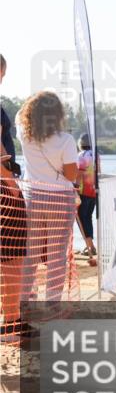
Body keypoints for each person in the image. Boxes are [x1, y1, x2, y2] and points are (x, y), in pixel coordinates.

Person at [16, 91, 79, 306]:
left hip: (33, 197)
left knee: (30, 254)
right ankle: (52, 303)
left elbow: (18, 117)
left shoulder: (25, 135)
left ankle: (22, 301)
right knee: (56, 255)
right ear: (57, 115)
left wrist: (29, 105)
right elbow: (71, 176)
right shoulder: (66, 140)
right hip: (60, 199)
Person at [0, 54, 29, 341]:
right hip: (3, 188)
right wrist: (11, 183)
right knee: (11, 256)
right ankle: (10, 322)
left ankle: (11, 319)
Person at [76, 134, 98, 258]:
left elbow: (79, 174)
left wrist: (75, 189)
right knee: (88, 218)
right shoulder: (96, 156)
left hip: (83, 192)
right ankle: (90, 245)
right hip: (93, 192)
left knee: (81, 219)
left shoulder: (81, 156)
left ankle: (90, 246)